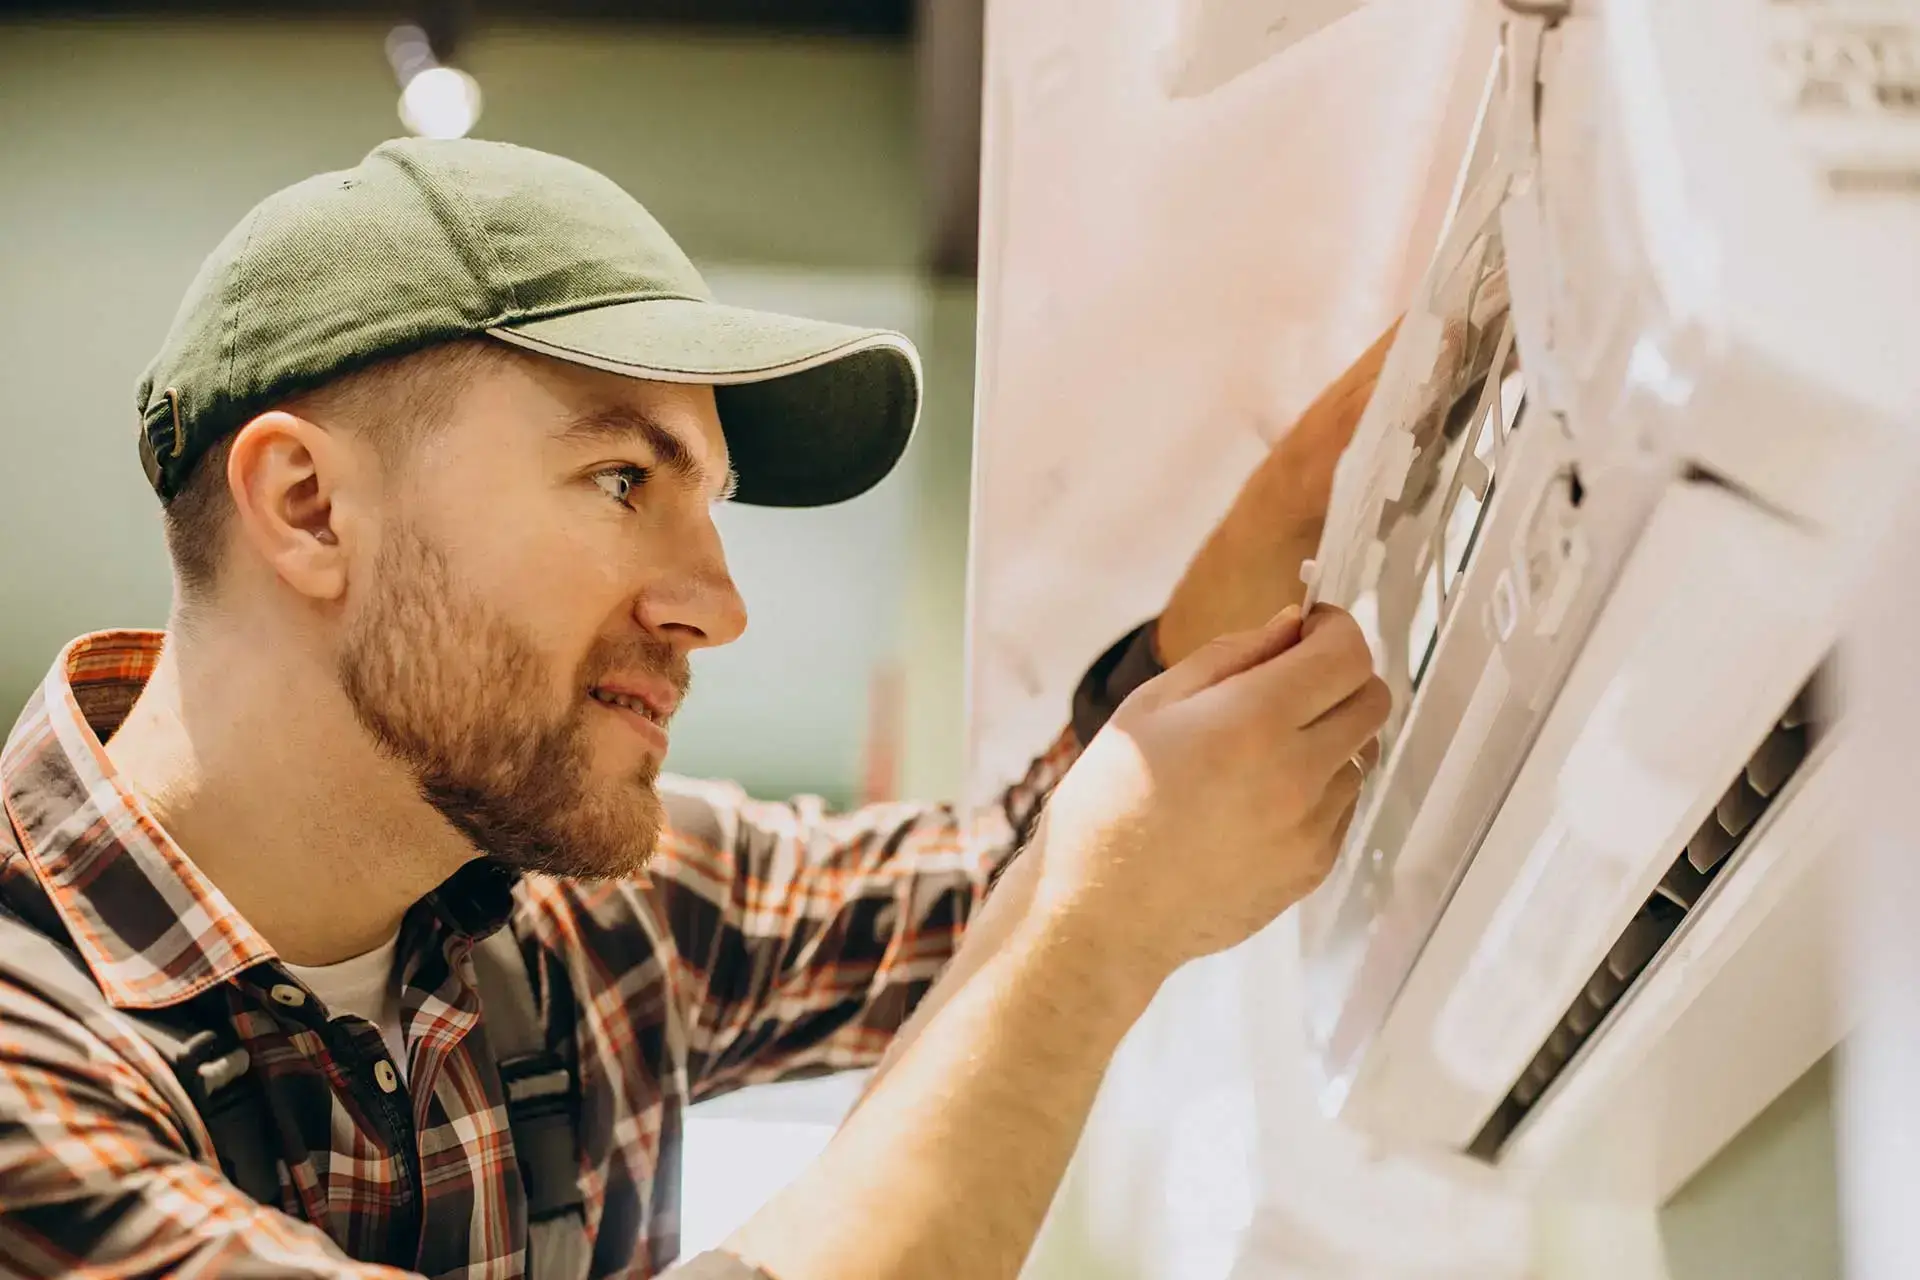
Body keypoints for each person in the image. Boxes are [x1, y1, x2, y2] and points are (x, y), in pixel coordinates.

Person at [0, 138, 1392, 1280]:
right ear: (310, 509)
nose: (718, 609)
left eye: (708, 502)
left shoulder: (581, 905)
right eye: (622, 478)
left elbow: (1008, 875)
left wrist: (1278, 536)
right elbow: (1068, 904)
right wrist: (1093, 950)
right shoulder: (27, 1065)